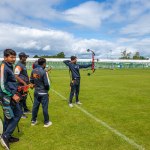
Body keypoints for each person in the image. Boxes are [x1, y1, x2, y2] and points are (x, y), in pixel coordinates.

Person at [0, 49, 22, 150]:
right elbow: (2, 85)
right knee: (17, 114)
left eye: (14, 57)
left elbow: (10, 82)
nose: (14, 59)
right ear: (5, 57)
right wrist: (12, 95)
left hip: (11, 95)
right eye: (11, 57)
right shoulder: (3, 67)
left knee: (8, 118)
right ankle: (5, 136)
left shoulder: (9, 66)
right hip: (7, 97)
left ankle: (7, 136)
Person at [30, 58, 52, 127]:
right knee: (45, 108)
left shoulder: (33, 71)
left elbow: (31, 80)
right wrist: (47, 90)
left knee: (35, 107)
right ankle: (46, 122)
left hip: (36, 92)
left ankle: (33, 121)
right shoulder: (43, 72)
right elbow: (46, 84)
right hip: (43, 92)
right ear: (44, 64)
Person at [14, 52, 31, 119]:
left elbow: (24, 74)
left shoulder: (23, 64)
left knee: (24, 98)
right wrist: (24, 83)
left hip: (25, 85)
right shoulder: (18, 65)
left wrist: (28, 81)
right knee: (21, 99)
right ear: (22, 57)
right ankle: (20, 113)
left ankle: (25, 110)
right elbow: (16, 76)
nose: (26, 58)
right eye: (25, 57)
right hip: (21, 85)